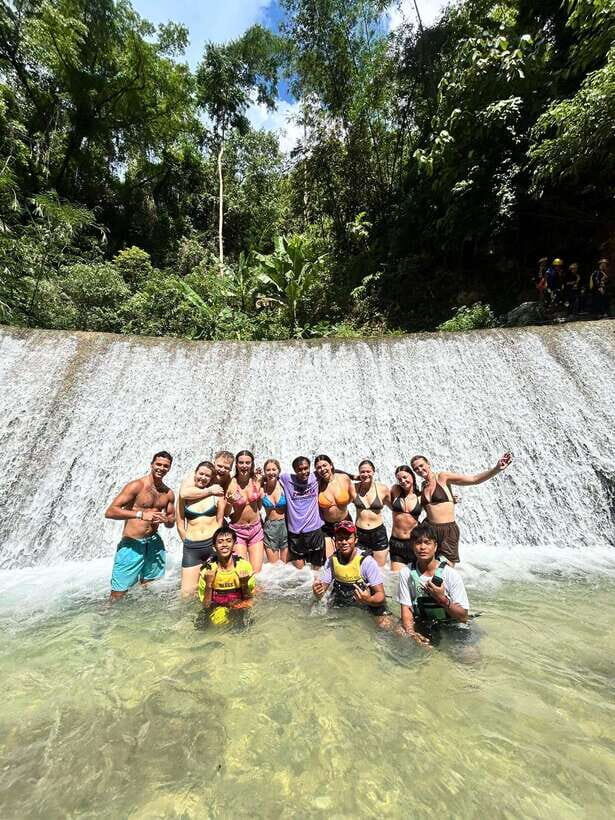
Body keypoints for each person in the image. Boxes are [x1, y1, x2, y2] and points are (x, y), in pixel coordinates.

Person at [410, 452, 513, 565]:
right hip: (429, 529)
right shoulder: (424, 485)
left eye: (421, 465)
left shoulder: (442, 477)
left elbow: (474, 479)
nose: (419, 470)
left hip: (447, 530)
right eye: (416, 469)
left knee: (446, 566)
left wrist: (496, 469)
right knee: (427, 564)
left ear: (428, 464)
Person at [105, 451, 176, 600]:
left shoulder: (168, 493)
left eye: (165, 466)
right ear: (151, 464)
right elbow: (110, 512)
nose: (161, 468)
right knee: (118, 593)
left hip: (154, 543)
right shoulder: (137, 486)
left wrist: (166, 520)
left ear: (169, 468)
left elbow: (171, 522)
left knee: (150, 586)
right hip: (132, 544)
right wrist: (140, 514)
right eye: (158, 464)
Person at [396, 524, 469, 645]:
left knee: (469, 654)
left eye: (427, 543)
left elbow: (463, 616)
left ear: (435, 547)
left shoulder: (450, 574)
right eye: (418, 543)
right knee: (400, 634)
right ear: (412, 546)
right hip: (424, 622)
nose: (422, 547)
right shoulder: (406, 573)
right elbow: (406, 609)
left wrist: (441, 598)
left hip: (452, 624)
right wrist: (412, 634)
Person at [312, 520, 390, 626]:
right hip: (342, 601)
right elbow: (322, 592)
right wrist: (317, 592)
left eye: (348, 538)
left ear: (355, 540)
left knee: (385, 625)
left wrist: (369, 600)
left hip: (368, 602)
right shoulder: (332, 560)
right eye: (340, 539)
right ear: (335, 541)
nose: (344, 542)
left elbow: (381, 595)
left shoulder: (367, 561)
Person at [176, 461, 225, 596]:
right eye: (201, 474)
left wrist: (217, 544)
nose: (203, 477)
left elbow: (220, 521)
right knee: (187, 593)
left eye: (207, 476)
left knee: (218, 590)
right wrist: (187, 542)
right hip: (192, 548)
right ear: (195, 474)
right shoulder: (184, 497)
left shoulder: (217, 494)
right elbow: (180, 523)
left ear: (211, 478)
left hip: (212, 545)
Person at [197, 526, 256, 625]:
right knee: (206, 625)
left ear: (234, 544)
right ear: (214, 547)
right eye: (220, 542)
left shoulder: (244, 566)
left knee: (242, 625)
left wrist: (244, 583)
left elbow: (249, 601)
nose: (224, 545)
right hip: (216, 606)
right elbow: (206, 605)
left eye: (228, 541)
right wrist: (208, 584)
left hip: (238, 605)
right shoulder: (207, 570)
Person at [278, 456, 325, 569]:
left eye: (306, 468)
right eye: (299, 469)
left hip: (314, 530)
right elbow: (271, 475)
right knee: (300, 571)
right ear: (294, 470)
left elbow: (332, 470)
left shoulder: (315, 476)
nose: (303, 472)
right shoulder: (286, 479)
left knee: (316, 569)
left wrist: (352, 476)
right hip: (295, 532)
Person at [225, 450, 264, 573]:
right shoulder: (231, 483)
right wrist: (229, 502)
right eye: (241, 462)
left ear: (252, 464)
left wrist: (260, 494)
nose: (244, 465)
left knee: (256, 572)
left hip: (256, 529)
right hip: (238, 531)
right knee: (242, 572)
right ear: (236, 464)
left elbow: (259, 506)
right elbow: (226, 513)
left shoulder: (256, 480)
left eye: (247, 462)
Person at [315, 454, 356, 558]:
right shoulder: (316, 484)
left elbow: (354, 497)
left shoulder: (344, 478)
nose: (322, 469)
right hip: (327, 526)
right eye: (319, 467)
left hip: (345, 521)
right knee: (330, 559)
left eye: (325, 465)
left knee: (347, 557)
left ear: (331, 465)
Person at [353, 460, 391, 567]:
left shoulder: (383, 489)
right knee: (360, 568)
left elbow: (395, 508)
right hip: (360, 534)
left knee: (380, 569)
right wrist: (353, 477)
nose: (365, 474)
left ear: (373, 471)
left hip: (378, 534)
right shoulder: (353, 488)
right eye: (362, 472)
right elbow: (337, 474)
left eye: (368, 471)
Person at [388, 465, 423, 571]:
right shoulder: (395, 490)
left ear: (412, 476)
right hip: (396, 542)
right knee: (396, 576)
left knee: (416, 576)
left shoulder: (421, 496)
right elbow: (381, 495)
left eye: (405, 477)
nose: (402, 481)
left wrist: (451, 498)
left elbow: (434, 508)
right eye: (399, 479)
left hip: (414, 542)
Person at [261, 458, 288, 564]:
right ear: (264, 472)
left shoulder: (284, 486)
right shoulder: (262, 488)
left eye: (274, 469)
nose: (271, 472)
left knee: (286, 566)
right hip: (270, 527)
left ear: (278, 471)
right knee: (274, 566)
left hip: (285, 526)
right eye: (268, 470)